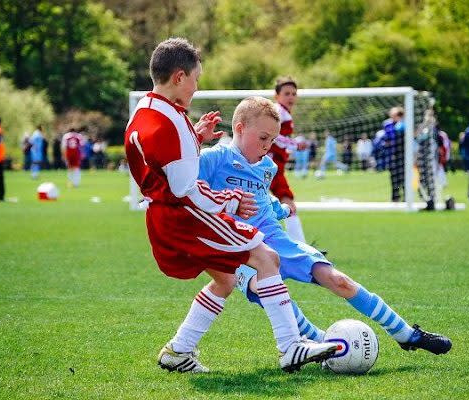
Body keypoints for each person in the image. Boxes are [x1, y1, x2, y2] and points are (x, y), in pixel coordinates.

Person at [124, 38, 336, 374]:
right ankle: (291, 346)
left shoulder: (146, 112)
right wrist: (231, 198)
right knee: (267, 258)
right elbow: (186, 189)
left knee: (225, 279)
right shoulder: (171, 123)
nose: (196, 87)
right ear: (179, 77)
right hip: (185, 215)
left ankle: (179, 350)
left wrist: (194, 137)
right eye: (195, 79)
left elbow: (164, 158)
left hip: (161, 215)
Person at [198, 97, 452, 356]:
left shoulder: (267, 167)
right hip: (236, 250)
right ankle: (322, 343)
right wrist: (197, 141)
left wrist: (281, 208)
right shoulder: (215, 158)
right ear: (240, 129)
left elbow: (262, 199)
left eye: (272, 140)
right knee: (268, 292)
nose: (267, 146)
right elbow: (178, 177)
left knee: (338, 280)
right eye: (263, 138)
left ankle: (406, 333)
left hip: (275, 240)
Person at [270, 77, 308, 243]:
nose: (291, 97)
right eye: (286, 93)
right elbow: (274, 135)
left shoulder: (283, 112)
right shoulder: (278, 112)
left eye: (294, 93)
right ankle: (300, 245)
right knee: (287, 201)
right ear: (276, 95)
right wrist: (295, 144)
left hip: (275, 165)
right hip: (271, 166)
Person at [380, 107, 405, 201]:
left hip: (403, 154)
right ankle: (395, 197)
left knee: (403, 176)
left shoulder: (404, 124)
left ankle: (406, 197)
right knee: (393, 177)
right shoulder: (387, 124)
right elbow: (385, 138)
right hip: (392, 155)